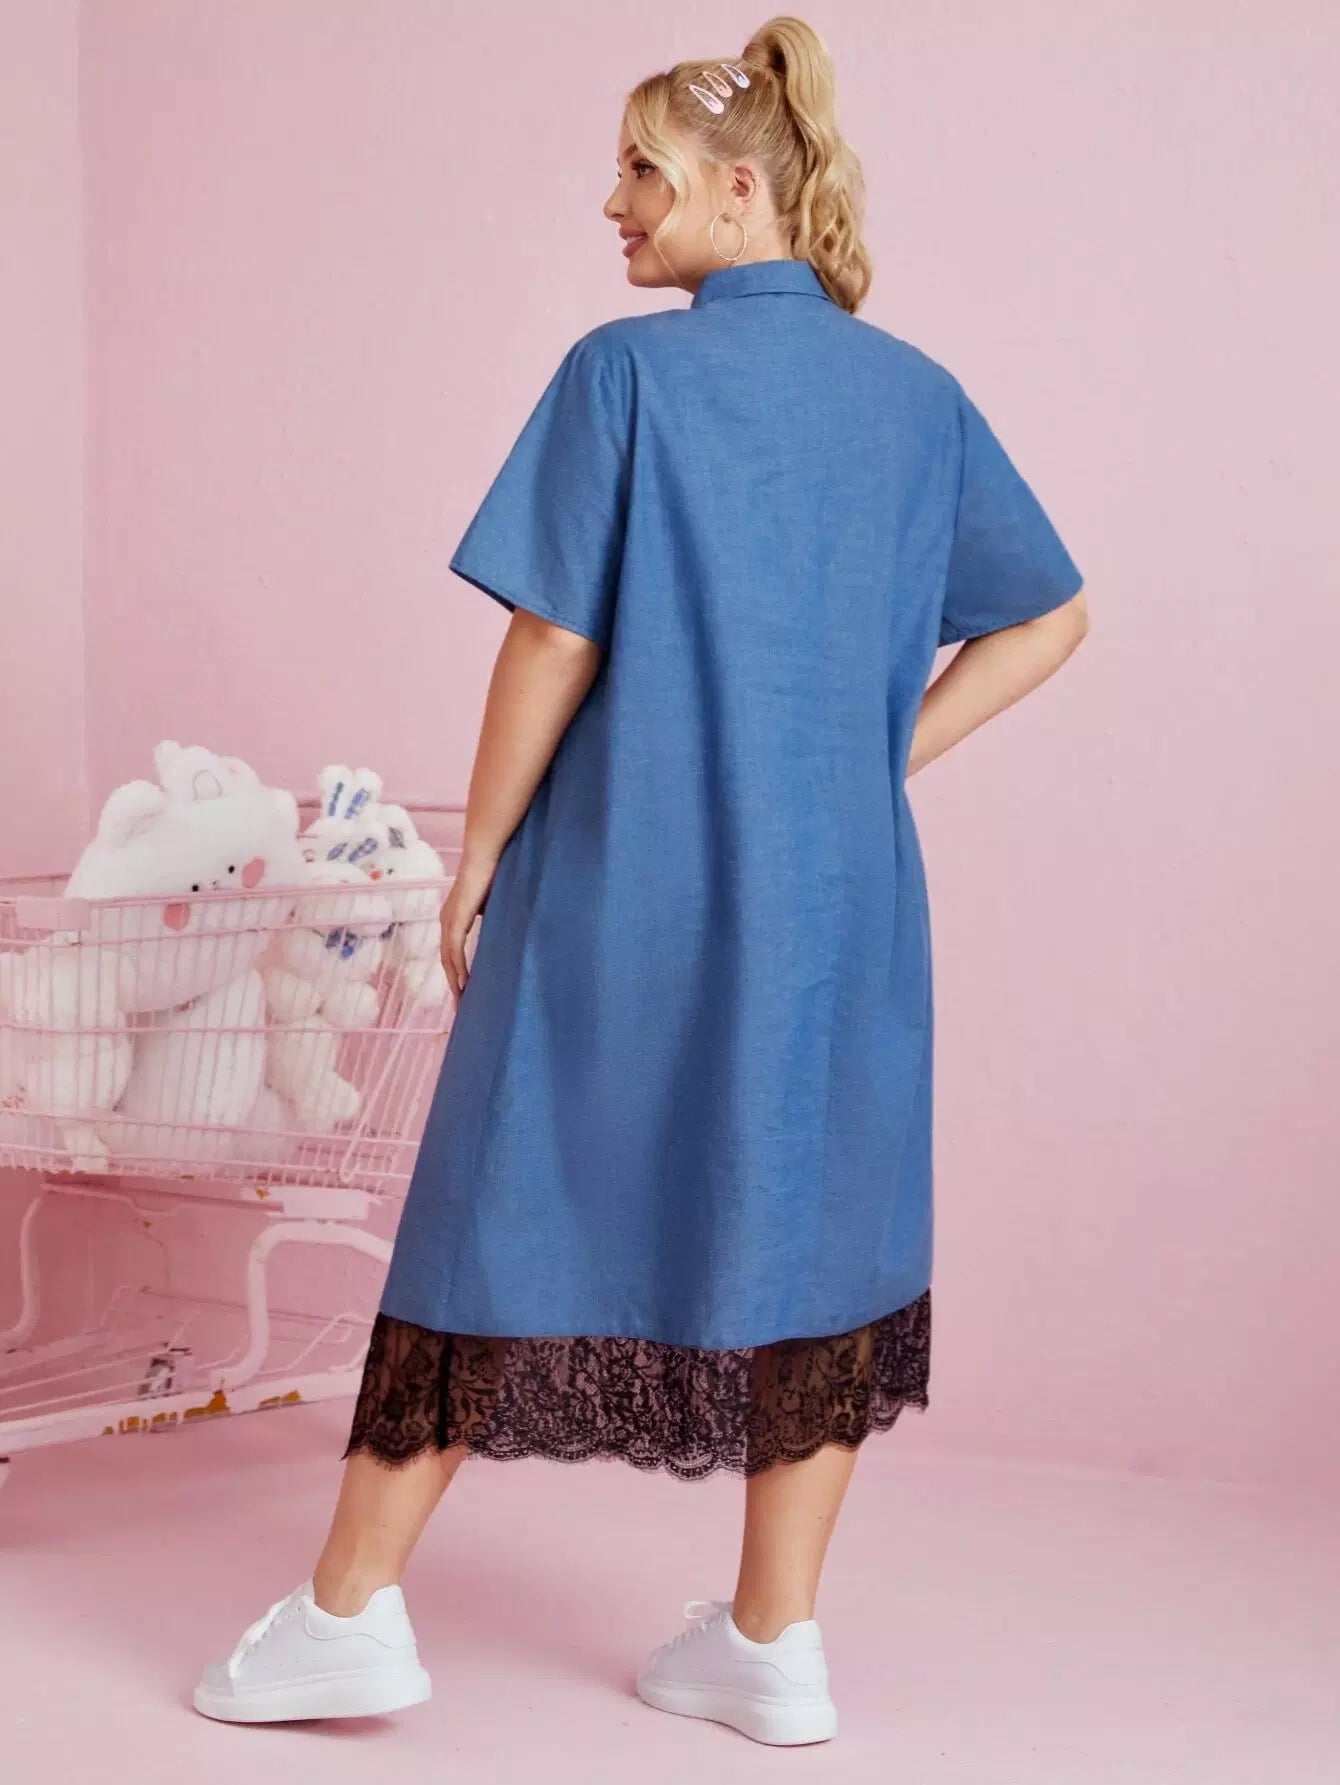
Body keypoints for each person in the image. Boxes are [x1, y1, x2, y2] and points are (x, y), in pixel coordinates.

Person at [192, 14, 1087, 1745]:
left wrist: (476, 849)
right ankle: (774, 1642)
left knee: (496, 1204)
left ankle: (347, 1615)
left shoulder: (626, 375)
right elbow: (1053, 613)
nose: (613, 206)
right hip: (841, 907)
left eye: (642, 175)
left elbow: (552, 635)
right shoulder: (919, 398)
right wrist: (876, 754)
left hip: (623, 881)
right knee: (818, 1231)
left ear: (739, 193)